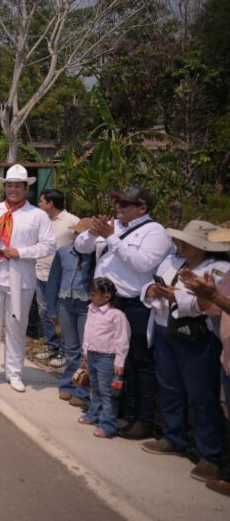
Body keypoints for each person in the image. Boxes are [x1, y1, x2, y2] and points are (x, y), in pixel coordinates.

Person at [74, 186, 173, 439]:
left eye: (125, 204)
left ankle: (143, 418)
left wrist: (111, 238)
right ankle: (115, 410)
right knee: (109, 361)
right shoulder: (113, 225)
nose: (118, 207)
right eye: (117, 202)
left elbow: (142, 263)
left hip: (134, 305)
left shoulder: (155, 232)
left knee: (139, 362)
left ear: (142, 208)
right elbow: (81, 246)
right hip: (107, 304)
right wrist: (92, 232)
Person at [139, 220, 226, 484]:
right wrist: (151, 290)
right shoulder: (172, 262)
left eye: (189, 241)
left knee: (202, 395)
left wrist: (177, 298)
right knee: (170, 387)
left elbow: (214, 305)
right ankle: (173, 436)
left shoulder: (220, 269)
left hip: (197, 335)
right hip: (165, 329)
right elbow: (149, 285)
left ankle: (211, 454)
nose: (182, 244)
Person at [0, 164, 56, 392]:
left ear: (27, 189)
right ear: (5, 187)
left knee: (17, 327)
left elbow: (48, 245)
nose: (13, 190)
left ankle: (14, 373)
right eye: (9, 185)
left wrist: (21, 252)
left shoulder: (37, 216)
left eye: (18, 186)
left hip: (20, 279)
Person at [180, 233, 230, 498]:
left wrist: (211, 295)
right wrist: (203, 294)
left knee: (205, 399)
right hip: (227, 353)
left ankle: (215, 460)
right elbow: (212, 308)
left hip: (209, 343)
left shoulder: (222, 268)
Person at [48, 219, 96, 408]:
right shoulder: (63, 252)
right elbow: (54, 280)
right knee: (70, 348)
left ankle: (82, 391)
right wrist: (51, 307)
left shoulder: (96, 255)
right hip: (65, 303)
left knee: (86, 349)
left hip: (86, 306)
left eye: (81, 234)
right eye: (76, 233)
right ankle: (67, 384)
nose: (77, 237)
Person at [31, 189, 80, 366]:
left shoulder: (72, 221)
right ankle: (51, 345)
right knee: (44, 310)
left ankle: (65, 351)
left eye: (41, 201)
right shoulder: (42, 220)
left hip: (62, 276)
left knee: (63, 313)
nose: (39, 204)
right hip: (41, 271)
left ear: (50, 203)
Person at [78, 278, 130, 439]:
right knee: (94, 386)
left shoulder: (116, 315)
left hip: (107, 357)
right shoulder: (91, 309)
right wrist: (85, 352)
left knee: (108, 392)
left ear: (106, 296)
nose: (90, 297)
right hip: (92, 354)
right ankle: (94, 413)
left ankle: (108, 425)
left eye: (94, 294)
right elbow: (87, 331)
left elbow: (122, 339)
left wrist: (119, 361)